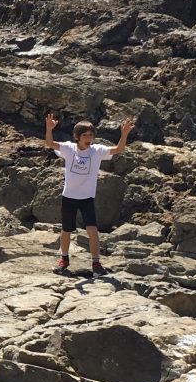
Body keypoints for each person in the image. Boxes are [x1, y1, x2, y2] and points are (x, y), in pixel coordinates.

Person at [44, 114, 134, 275]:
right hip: (69, 196)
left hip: (87, 198)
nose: (88, 138)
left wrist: (124, 134)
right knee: (66, 230)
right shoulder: (69, 148)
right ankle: (64, 260)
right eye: (85, 135)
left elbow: (119, 150)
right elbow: (49, 143)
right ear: (77, 137)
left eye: (91, 135)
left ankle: (96, 264)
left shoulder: (97, 151)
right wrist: (49, 129)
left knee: (92, 230)